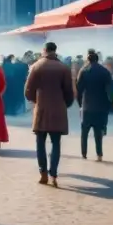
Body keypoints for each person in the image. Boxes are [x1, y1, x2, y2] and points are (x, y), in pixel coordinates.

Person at [24, 42, 74, 187]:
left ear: (44, 50)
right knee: (56, 143)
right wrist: (65, 103)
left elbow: (28, 91)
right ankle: (53, 173)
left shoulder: (36, 67)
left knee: (40, 143)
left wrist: (37, 100)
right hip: (58, 110)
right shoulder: (63, 68)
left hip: (42, 110)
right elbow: (69, 92)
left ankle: (43, 173)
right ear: (55, 51)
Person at [76, 48, 112, 161]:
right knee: (98, 132)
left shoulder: (83, 71)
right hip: (101, 107)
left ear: (88, 60)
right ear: (97, 60)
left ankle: (84, 153)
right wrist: (109, 105)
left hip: (87, 106)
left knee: (84, 132)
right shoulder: (105, 71)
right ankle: (99, 154)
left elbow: (79, 90)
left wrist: (80, 104)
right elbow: (110, 91)